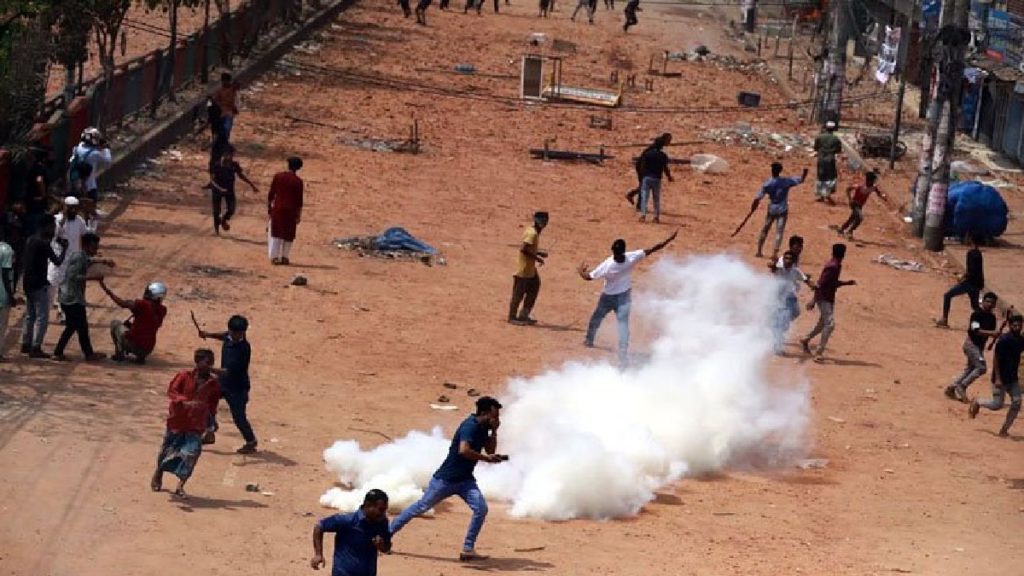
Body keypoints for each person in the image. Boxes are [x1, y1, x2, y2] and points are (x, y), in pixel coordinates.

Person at [389, 396, 506, 562]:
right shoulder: (470, 426)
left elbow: (490, 450)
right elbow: (463, 450)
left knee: (481, 509)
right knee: (420, 507)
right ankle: (386, 535)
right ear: (485, 413)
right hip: (445, 480)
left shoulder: (483, 428)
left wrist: (494, 431)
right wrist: (486, 459)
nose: (497, 419)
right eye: (494, 416)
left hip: (465, 480)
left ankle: (467, 549)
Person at [578, 230, 678, 365]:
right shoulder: (631, 258)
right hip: (624, 297)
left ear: (613, 251)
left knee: (597, 318)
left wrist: (581, 271)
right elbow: (653, 249)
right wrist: (668, 240)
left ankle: (589, 340)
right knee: (623, 325)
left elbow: (589, 277)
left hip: (608, 297)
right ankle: (622, 351)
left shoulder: (608, 265)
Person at [151, 348, 221, 499]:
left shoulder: (213, 383)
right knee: (168, 450)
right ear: (197, 362)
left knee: (192, 453)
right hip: (178, 420)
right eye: (206, 362)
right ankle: (159, 472)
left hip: (197, 423)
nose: (209, 365)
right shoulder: (184, 376)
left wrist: (211, 422)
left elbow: (213, 403)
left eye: (211, 362)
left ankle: (181, 485)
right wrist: (184, 402)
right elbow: (172, 391)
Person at [198, 315, 258, 454]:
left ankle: (251, 441)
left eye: (238, 334)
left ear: (243, 332)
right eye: (232, 333)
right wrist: (208, 334)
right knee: (203, 399)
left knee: (239, 417)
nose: (235, 336)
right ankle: (210, 429)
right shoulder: (229, 337)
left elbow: (228, 372)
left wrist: (208, 369)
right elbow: (223, 336)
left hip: (237, 388)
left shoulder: (243, 349)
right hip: (223, 383)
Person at [53, 232, 113, 362]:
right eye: (93, 247)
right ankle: (85, 354)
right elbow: (73, 276)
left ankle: (62, 352)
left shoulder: (81, 256)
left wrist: (103, 261)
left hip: (70, 297)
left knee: (75, 326)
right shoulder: (79, 257)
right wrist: (93, 277)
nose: (95, 250)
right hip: (72, 298)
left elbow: (88, 261)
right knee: (80, 326)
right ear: (86, 246)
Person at [311, 489, 392, 576]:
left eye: (385, 509)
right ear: (368, 505)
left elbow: (387, 547)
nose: (383, 513)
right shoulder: (347, 520)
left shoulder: (382, 522)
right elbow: (319, 527)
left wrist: (381, 545)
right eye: (381, 509)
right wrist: (318, 554)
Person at [969, 313, 1024, 437]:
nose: (1017, 328)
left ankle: (1004, 429)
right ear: (1010, 326)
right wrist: (998, 378)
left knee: (1017, 402)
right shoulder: (1004, 340)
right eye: (1015, 325)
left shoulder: (1021, 340)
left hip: (1012, 378)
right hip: (1000, 378)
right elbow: (996, 359)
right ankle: (978, 402)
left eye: (1019, 326)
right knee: (997, 405)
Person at [20, 216, 67, 359]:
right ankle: (36, 347)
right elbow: (57, 261)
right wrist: (64, 249)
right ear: (45, 226)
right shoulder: (43, 243)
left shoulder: (30, 240)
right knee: (42, 316)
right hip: (39, 283)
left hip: (27, 282)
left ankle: (25, 343)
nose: (53, 230)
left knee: (30, 315)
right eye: (52, 227)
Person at [800, 243, 855, 362]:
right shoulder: (833, 266)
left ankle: (805, 339)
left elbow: (832, 283)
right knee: (830, 324)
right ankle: (818, 353)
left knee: (822, 323)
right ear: (844, 254)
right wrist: (813, 300)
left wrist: (846, 283)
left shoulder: (835, 265)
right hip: (824, 298)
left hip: (828, 298)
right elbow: (820, 284)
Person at [944, 292, 999, 402]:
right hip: (971, 345)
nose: (989, 304)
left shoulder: (992, 318)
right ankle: (962, 386)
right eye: (987, 301)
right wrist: (992, 333)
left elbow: (991, 332)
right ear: (983, 302)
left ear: (994, 305)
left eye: (991, 303)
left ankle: (952, 387)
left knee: (971, 368)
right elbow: (976, 330)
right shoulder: (976, 314)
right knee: (981, 368)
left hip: (979, 347)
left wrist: (994, 335)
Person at [99, 279, 168, 364]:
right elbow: (148, 325)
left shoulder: (143, 304)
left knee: (115, 323)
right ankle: (141, 358)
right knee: (142, 333)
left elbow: (122, 304)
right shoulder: (163, 310)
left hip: (134, 344)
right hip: (147, 349)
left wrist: (108, 291)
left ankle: (119, 354)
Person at [751, 162, 808, 259]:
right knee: (779, 231)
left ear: (772, 171)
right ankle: (774, 253)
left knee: (765, 229)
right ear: (780, 171)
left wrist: (753, 207)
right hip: (782, 209)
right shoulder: (786, 181)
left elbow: (758, 198)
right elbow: (801, 179)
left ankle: (759, 251)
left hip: (772, 208)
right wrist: (804, 174)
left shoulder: (768, 183)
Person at [48, 196, 90, 323]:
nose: (73, 211)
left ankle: (63, 314)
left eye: (75, 208)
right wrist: (63, 219)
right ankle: (46, 310)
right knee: (51, 284)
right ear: (64, 207)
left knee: (67, 288)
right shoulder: (57, 219)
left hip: (73, 259)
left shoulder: (79, 221)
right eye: (70, 208)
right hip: (58, 258)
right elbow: (54, 234)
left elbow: (85, 234)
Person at [769, 250, 813, 355]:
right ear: (783, 259)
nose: (787, 260)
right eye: (786, 258)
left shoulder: (795, 271)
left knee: (796, 312)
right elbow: (772, 268)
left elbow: (805, 279)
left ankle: (777, 326)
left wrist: (813, 286)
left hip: (790, 297)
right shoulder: (779, 269)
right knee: (782, 321)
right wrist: (773, 262)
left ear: (793, 261)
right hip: (780, 298)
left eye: (790, 259)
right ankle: (777, 347)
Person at [508, 212, 549, 325]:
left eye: (545, 221)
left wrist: (539, 253)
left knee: (534, 287)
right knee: (518, 293)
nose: (544, 224)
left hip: (530, 269)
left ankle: (524, 314)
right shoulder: (532, 234)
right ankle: (512, 317)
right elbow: (523, 249)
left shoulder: (533, 231)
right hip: (524, 269)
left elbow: (529, 248)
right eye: (543, 221)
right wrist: (537, 258)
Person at [936, 235, 985, 327]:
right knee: (975, 306)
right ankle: (985, 321)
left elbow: (970, 270)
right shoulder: (978, 253)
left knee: (947, 295)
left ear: (971, 241)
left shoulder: (970, 253)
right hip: (977, 284)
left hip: (969, 283)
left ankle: (944, 319)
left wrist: (962, 278)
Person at [208, 146, 257, 235]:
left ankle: (223, 220)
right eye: (228, 154)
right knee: (216, 210)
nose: (230, 156)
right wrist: (220, 189)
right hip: (217, 190)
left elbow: (241, 175)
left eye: (231, 155)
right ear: (223, 154)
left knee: (231, 209)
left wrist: (251, 184)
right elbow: (212, 181)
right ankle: (216, 230)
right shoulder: (216, 165)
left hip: (229, 190)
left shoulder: (234, 165)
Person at [268, 156, 304, 265]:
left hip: (278, 208)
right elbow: (299, 201)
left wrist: (269, 208)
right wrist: (298, 215)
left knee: (276, 233)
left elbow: (271, 194)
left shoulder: (278, 176)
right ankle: (285, 257)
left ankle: (274, 257)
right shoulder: (298, 182)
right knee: (288, 234)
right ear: (298, 168)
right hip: (291, 211)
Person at [835, 170, 887, 240]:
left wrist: (883, 197)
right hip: (854, 204)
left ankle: (842, 229)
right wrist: (850, 200)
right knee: (860, 218)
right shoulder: (860, 186)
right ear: (869, 180)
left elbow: (879, 193)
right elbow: (848, 189)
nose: (874, 182)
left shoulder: (873, 187)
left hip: (860, 205)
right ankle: (850, 231)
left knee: (852, 218)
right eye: (873, 180)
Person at [68, 128, 112, 203]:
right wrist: (106, 149)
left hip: (74, 183)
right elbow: (108, 161)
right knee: (90, 205)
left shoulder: (77, 148)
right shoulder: (95, 154)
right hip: (89, 186)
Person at [625, 134, 669, 209]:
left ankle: (633, 196)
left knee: (644, 185)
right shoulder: (653, 149)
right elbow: (644, 160)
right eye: (668, 140)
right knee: (644, 186)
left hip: (645, 168)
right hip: (642, 167)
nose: (669, 142)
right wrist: (643, 171)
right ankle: (638, 203)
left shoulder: (656, 149)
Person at [637, 133, 673, 223]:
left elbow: (643, 166)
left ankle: (643, 215)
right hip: (657, 178)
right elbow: (665, 168)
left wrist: (643, 175)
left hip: (647, 177)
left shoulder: (648, 153)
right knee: (656, 198)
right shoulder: (663, 156)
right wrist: (669, 177)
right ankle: (656, 217)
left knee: (645, 196)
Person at [0, 223, 21, 362]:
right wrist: (11, 295)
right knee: (2, 326)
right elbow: (5, 274)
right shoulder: (7, 250)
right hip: (2, 294)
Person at [812, 121, 842, 203]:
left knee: (820, 175)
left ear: (825, 128)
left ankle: (820, 195)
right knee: (831, 177)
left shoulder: (819, 137)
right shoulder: (836, 139)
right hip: (830, 159)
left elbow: (815, 148)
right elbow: (838, 150)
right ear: (834, 129)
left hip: (821, 159)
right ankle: (827, 194)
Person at [212, 73, 240, 143]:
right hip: (221, 112)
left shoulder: (232, 89)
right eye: (224, 81)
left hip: (229, 112)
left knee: (226, 128)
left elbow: (237, 85)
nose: (225, 83)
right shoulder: (219, 91)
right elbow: (214, 101)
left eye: (227, 81)